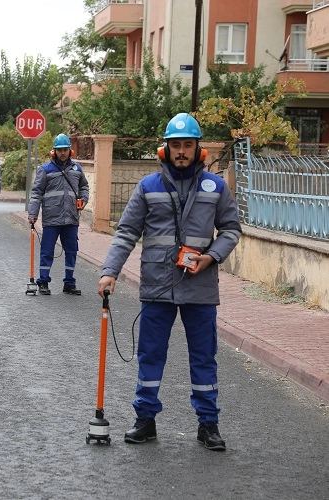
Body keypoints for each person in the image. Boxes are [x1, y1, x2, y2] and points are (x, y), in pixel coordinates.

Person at [97, 113, 242, 451]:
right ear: (165, 150)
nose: (181, 151)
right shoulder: (148, 186)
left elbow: (232, 230)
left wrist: (211, 257)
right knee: (151, 356)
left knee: (204, 357)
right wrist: (109, 272)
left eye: (187, 145)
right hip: (158, 286)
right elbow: (126, 233)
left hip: (200, 286)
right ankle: (145, 420)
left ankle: (209, 425)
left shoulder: (216, 187)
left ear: (198, 149)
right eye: (175, 145)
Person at [27, 133, 89, 296]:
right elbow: (36, 192)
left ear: (70, 151)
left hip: (71, 218)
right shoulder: (45, 170)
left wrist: (84, 199)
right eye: (59, 150)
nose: (62, 153)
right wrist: (33, 213)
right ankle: (43, 282)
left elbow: (84, 187)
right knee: (47, 251)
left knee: (71, 251)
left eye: (65, 150)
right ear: (53, 152)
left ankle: (69, 283)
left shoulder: (77, 169)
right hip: (52, 219)